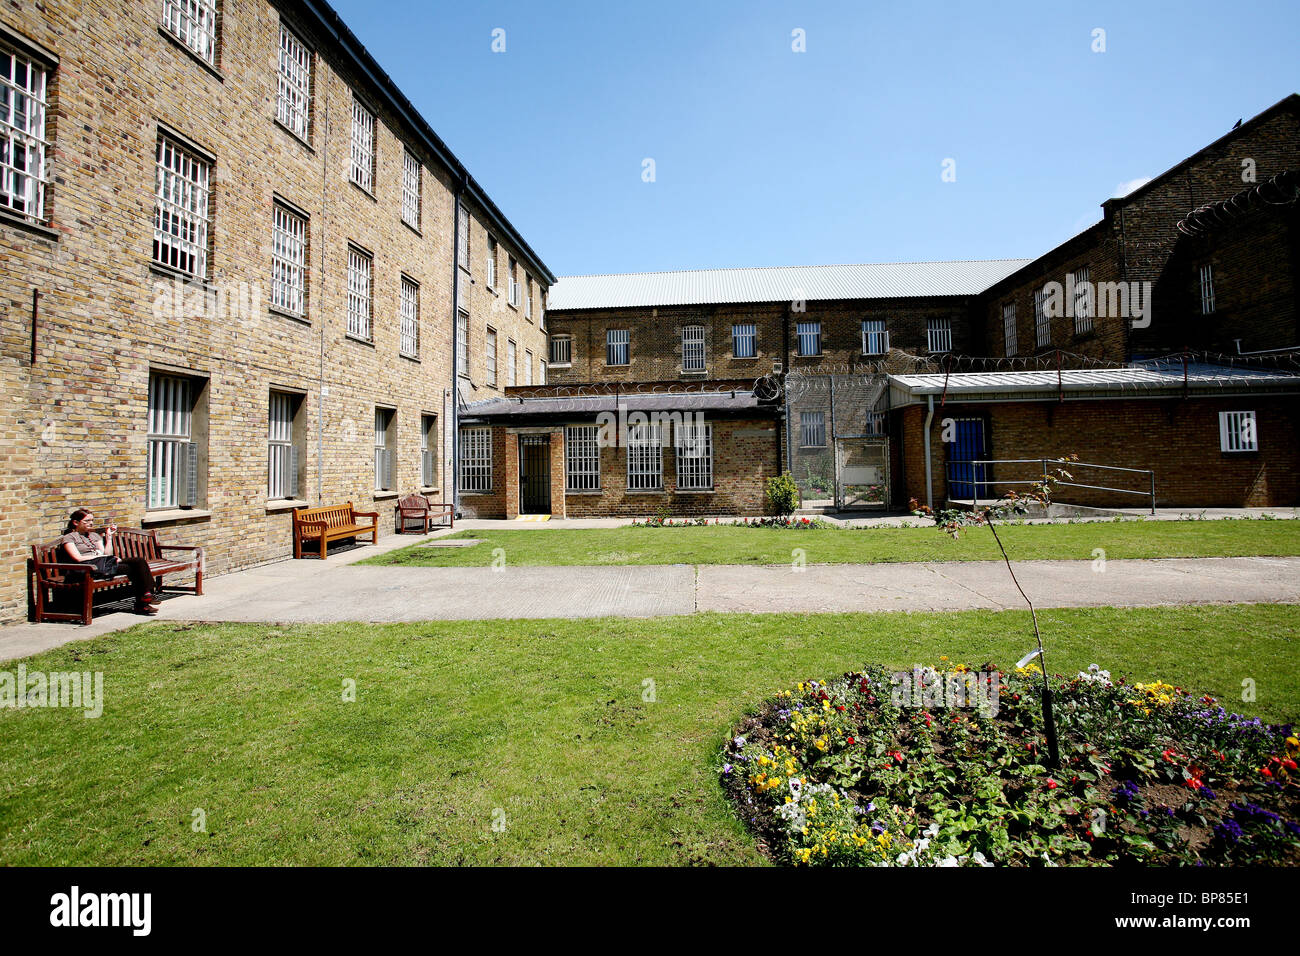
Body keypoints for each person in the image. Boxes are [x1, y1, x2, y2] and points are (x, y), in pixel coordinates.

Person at [61, 509, 159, 615]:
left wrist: (109, 537)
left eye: (92, 520)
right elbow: (78, 558)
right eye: (87, 521)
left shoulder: (93, 536)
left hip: (103, 564)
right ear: (76, 522)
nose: (91, 523)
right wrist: (101, 557)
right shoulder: (69, 538)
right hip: (86, 569)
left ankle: (146, 595)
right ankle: (144, 601)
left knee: (138, 562)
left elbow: (107, 553)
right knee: (135, 568)